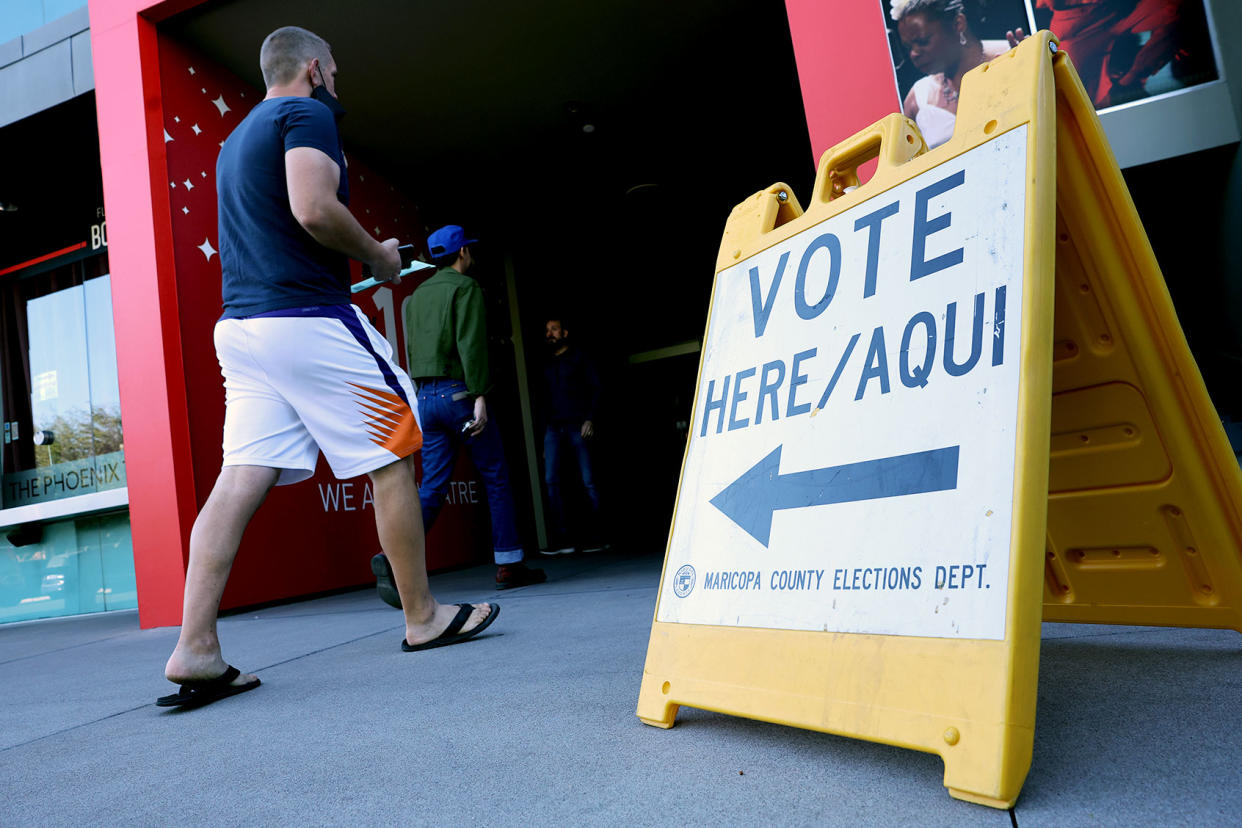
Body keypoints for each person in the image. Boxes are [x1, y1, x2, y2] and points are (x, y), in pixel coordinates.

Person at [158, 27, 497, 709]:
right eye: (335, 71)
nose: (338, 84)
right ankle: (422, 617)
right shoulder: (304, 112)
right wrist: (378, 255)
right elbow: (312, 209)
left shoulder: (237, 140)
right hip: (307, 323)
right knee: (397, 449)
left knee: (237, 479)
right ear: (313, 68)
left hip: (244, 331)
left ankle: (194, 648)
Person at [372, 225, 545, 601]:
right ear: (462, 252)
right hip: (460, 395)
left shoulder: (417, 296)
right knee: (496, 477)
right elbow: (471, 344)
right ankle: (509, 564)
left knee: (431, 486)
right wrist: (480, 394)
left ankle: (393, 558)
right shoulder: (466, 288)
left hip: (426, 399)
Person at [893, 0, 1028, 148]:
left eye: (922, 41)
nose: (914, 54)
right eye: (908, 47)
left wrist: (1033, 72)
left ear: (958, 24)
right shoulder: (917, 99)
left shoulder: (1014, 57)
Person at [539, 317, 604, 555]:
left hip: (578, 425)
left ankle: (597, 537)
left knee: (588, 481)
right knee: (552, 481)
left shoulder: (579, 358)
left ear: (565, 332)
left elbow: (596, 388)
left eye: (554, 329)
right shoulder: (546, 364)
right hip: (553, 429)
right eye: (547, 330)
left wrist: (590, 418)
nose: (550, 334)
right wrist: (544, 437)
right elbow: (543, 402)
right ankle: (562, 540)